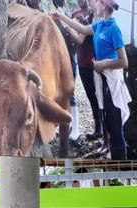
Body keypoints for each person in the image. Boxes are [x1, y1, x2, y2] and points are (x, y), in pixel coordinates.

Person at [52, 0, 131, 161]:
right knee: (107, 120)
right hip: (101, 79)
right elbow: (81, 29)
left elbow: (124, 61)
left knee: (115, 127)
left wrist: (104, 64)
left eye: (96, 3)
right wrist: (62, 17)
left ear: (103, 5)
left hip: (111, 81)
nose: (93, 5)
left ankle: (121, 163)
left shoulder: (114, 29)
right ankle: (114, 158)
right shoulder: (100, 25)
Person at [69, 0, 104, 143]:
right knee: (91, 96)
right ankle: (99, 129)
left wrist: (68, 26)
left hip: (94, 63)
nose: (81, 1)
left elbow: (81, 38)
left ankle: (101, 130)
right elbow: (75, 39)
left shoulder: (94, 16)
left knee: (99, 98)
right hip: (82, 62)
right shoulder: (75, 15)